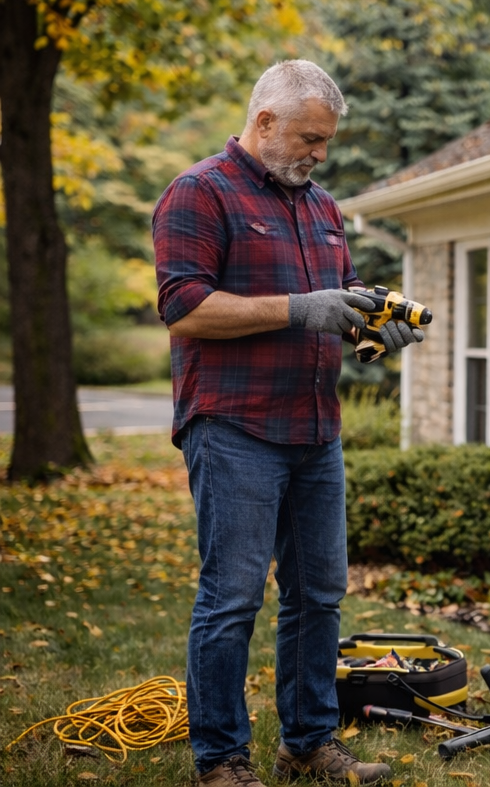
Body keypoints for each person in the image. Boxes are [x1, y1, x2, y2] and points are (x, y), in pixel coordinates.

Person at [153, 60, 424, 787]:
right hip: (235, 426)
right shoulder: (199, 192)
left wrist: (375, 321)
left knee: (319, 594)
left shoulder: (321, 206)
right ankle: (221, 761)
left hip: (316, 429)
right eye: (309, 137)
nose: (319, 154)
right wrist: (301, 307)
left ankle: (307, 743)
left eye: (327, 142)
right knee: (233, 596)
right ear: (265, 121)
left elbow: (341, 296)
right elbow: (183, 309)